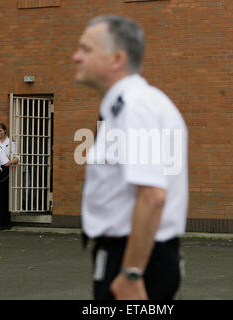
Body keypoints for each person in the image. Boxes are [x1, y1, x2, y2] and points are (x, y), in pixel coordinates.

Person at [73, 15, 188, 300]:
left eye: (86, 50)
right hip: (132, 254)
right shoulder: (129, 105)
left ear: (117, 59)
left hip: (136, 260)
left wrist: (131, 274)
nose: (76, 57)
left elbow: (152, 195)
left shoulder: (134, 107)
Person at [0, 123, 18, 230]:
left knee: (6, 197)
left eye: (1, 131)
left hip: (7, 169)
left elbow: (16, 157)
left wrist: (9, 161)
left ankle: (6, 221)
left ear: (5, 131)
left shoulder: (11, 143)